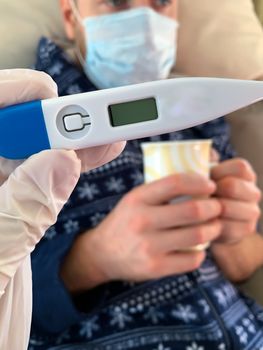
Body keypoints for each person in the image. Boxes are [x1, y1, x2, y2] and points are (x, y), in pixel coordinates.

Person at [29, 1, 263, 349]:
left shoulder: (204, 107)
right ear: (70, 16)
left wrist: (232, 237)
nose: (144, 20)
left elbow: (243, 264)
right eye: (116, 1)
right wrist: (94, 258)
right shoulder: (25, 116)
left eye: (161, 3)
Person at [0, 69, 125, 350]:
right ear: (71, 22)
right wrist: (93, 260)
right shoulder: (24, 99)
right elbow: (41, 322)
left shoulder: (206, 123)